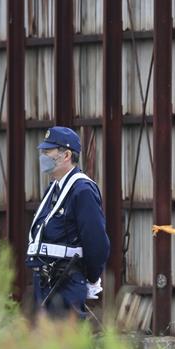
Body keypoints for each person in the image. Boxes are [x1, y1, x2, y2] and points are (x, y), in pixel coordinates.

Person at [25, 126, 109, 318]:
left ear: (66, 155)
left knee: (63, 341)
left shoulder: (82, 190)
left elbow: (97, 243)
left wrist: (92, 277)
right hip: (46, 281)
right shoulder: (53, 190)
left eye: (48, 151)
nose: (42, 156)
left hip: (65, 281)